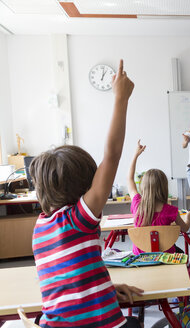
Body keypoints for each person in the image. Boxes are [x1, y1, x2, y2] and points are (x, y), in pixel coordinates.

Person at [31, 60, 143, 327]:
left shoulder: (41, 226)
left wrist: (103, 290)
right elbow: (112, 156)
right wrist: (120, 98)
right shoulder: (77, 219)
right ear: (84, 185)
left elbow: (69, 276)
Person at [127, 140, 190, 254]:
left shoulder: (137, 204)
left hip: (141, 259)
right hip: (165, 257)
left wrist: (135, 155)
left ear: (143, 186)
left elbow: (130, 179)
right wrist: (188, 217)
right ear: (164, 187)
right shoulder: (171, 211)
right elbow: (185, 229)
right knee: (181, 253)